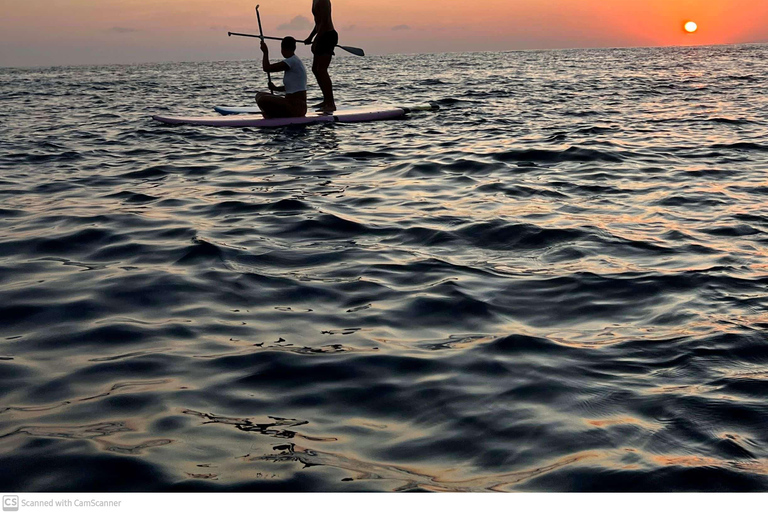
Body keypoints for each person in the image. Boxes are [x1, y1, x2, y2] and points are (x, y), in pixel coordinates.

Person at [256, 37, 308, 119]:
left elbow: (267, 68)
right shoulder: (295, 61)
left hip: (297, 107)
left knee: (262, 99)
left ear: (283, 49)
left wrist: (265, 52)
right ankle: (271, 113)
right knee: (259, 95)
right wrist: (275, 88)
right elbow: (291, 88)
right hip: (292, 104)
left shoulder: (291, 61)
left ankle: (271, 115)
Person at [304, 0, 337, 111]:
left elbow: (324, 21)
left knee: (322, 70)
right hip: (321, 35)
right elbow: (317, 22)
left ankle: (330, 103)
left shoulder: (323, 1)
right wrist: (310, 37)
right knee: (315, 69)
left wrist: (317, 39)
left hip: (327, 35)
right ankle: (326, 100)